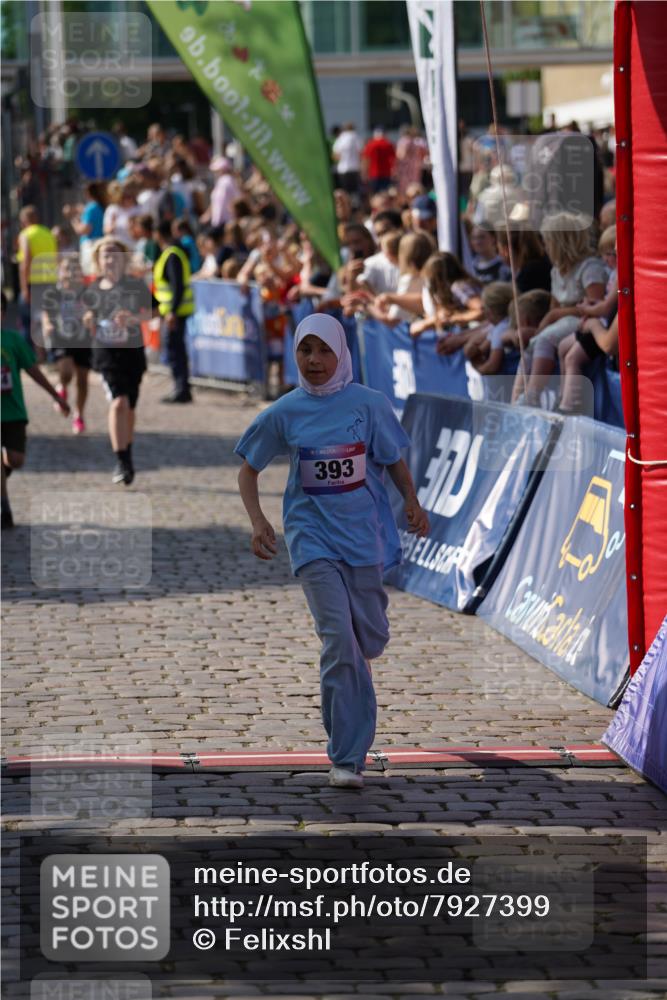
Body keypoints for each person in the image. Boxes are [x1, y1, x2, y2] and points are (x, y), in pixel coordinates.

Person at [235, 314, 429, 788]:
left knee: (367, 641)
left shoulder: (369, 404)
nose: (315, 360)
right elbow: (248, 469)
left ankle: (356, 682)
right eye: (305, 350)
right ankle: (346, 755)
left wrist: (410, 499)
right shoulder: (285, 411)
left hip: (363, 540)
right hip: (311, 539)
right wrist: (259, 521)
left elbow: (394, 460)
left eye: (324, 350)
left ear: (341, 353)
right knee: (339, 640)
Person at [516, 212, 606, 407]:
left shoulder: (590, 268)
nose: (545, 247)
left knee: (544, 340)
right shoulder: (556, 271)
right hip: (562, 322)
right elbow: (554, 305)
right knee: (530, 345)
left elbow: (595, 306)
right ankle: (516, 398)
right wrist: (549, 319)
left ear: (561, 243)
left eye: (548, 242)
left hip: (583, 321)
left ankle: (532, 396)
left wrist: (554, 315)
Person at [82, 238, 150, 484]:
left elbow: (154, 311)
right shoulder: (93, 289)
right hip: (107, 354)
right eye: (105, 255)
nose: (110, 258)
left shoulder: (135, 285)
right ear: (98, 260)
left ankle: (127, 455)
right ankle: (120, 460)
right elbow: (87, 315)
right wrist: (88, 319)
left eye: (114, 254)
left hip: (132, 353)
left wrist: (133, 318)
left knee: (129, 407)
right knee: (119, 402)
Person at [1, 292, 70, 528]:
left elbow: (33, 371)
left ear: (3, 314)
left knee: (16, 460)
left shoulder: (12, 340)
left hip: (13, 411)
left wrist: (56, 396)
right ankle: (4, 509)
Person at [41, 255, 90, 434]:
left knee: (83, 380)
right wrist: (47, 324)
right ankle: (62, 387)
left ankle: (79, 415)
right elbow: (46, 312)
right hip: (61, 337)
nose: (70, 273)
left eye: (75, 269)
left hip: (83, 338)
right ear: (60, 272)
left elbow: (93, 310)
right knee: (67, 372)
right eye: (67, 269)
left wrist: (90, 317)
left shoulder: (86, 292)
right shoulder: (53, 292)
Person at [153, 219, 195, 403]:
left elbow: (177, 285)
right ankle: (180, 388)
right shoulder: (172, 253)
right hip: (174, 311)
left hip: (175, 312)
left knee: (175, 350)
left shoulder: (172, 255)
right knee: (176, 349)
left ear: (158, 235)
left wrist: (172, 312)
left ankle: (181, 389)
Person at [16, 205, 58, 349]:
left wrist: (24, 289)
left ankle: (30, 354)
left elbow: (26, 262)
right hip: (50, 281)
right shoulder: (48, 233)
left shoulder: (25, 234)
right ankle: (51, 353)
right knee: (47, 319)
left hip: (33, 283)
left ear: (24, 220)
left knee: (28, 322)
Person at [332, 123, 363, 196]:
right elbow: (361, 152)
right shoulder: (357, 137)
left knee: (345, 191)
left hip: (343, 168)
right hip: (355, 167)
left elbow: (336, 155)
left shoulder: (340, 138)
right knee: (355, 191)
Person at [362, 127, 396, 193]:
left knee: (374, 194)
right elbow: (393, 159)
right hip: (386, 173)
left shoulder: (370, 144)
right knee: (385, 193)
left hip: (373, 174)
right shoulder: (388, 144)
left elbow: (365, 159)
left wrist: (364, 173)